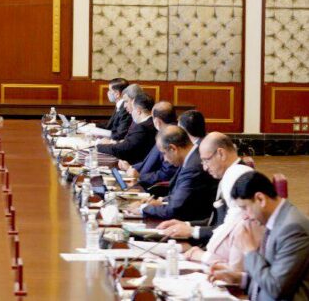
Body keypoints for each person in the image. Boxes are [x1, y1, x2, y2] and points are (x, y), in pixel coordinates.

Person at [158, 132, 257, 270]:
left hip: (226, 260)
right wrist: (186, 225)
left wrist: (193, 234)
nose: (204, 167)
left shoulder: (238, 179)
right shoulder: (229, 174)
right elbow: (217, 221)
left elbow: (231, 232)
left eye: (206, 160)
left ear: (221, 154)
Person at [211, 172, 309, 300]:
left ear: (260, 199)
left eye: (245, 207)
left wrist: (249, 250)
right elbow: (269, 276)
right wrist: (239, 279)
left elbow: (276, 288)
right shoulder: (276, 220)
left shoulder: (293, 229)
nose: (245, 215)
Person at [131, 125, 218, 221]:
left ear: (173, 149)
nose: (165, 159)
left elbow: (174, 209)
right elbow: (179, 195)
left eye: (164, 153)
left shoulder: (193, 167)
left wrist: (143, 208)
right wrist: (161, 200)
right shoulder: (191, 158)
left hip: (189, 222)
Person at [118, 101, 178, 187]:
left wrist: (140, 176)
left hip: (151, 188)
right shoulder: (165, 133)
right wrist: (130, 167)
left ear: (157, 121)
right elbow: (149, 162)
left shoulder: (171, 137)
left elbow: (166, 174)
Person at [96, 94, 156, 165]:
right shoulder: (152, 122)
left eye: (133, 108)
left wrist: (98, 147)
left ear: (138, 111)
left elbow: (123, 149)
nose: (131, 112)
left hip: (133, 165)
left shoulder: (142, 127)